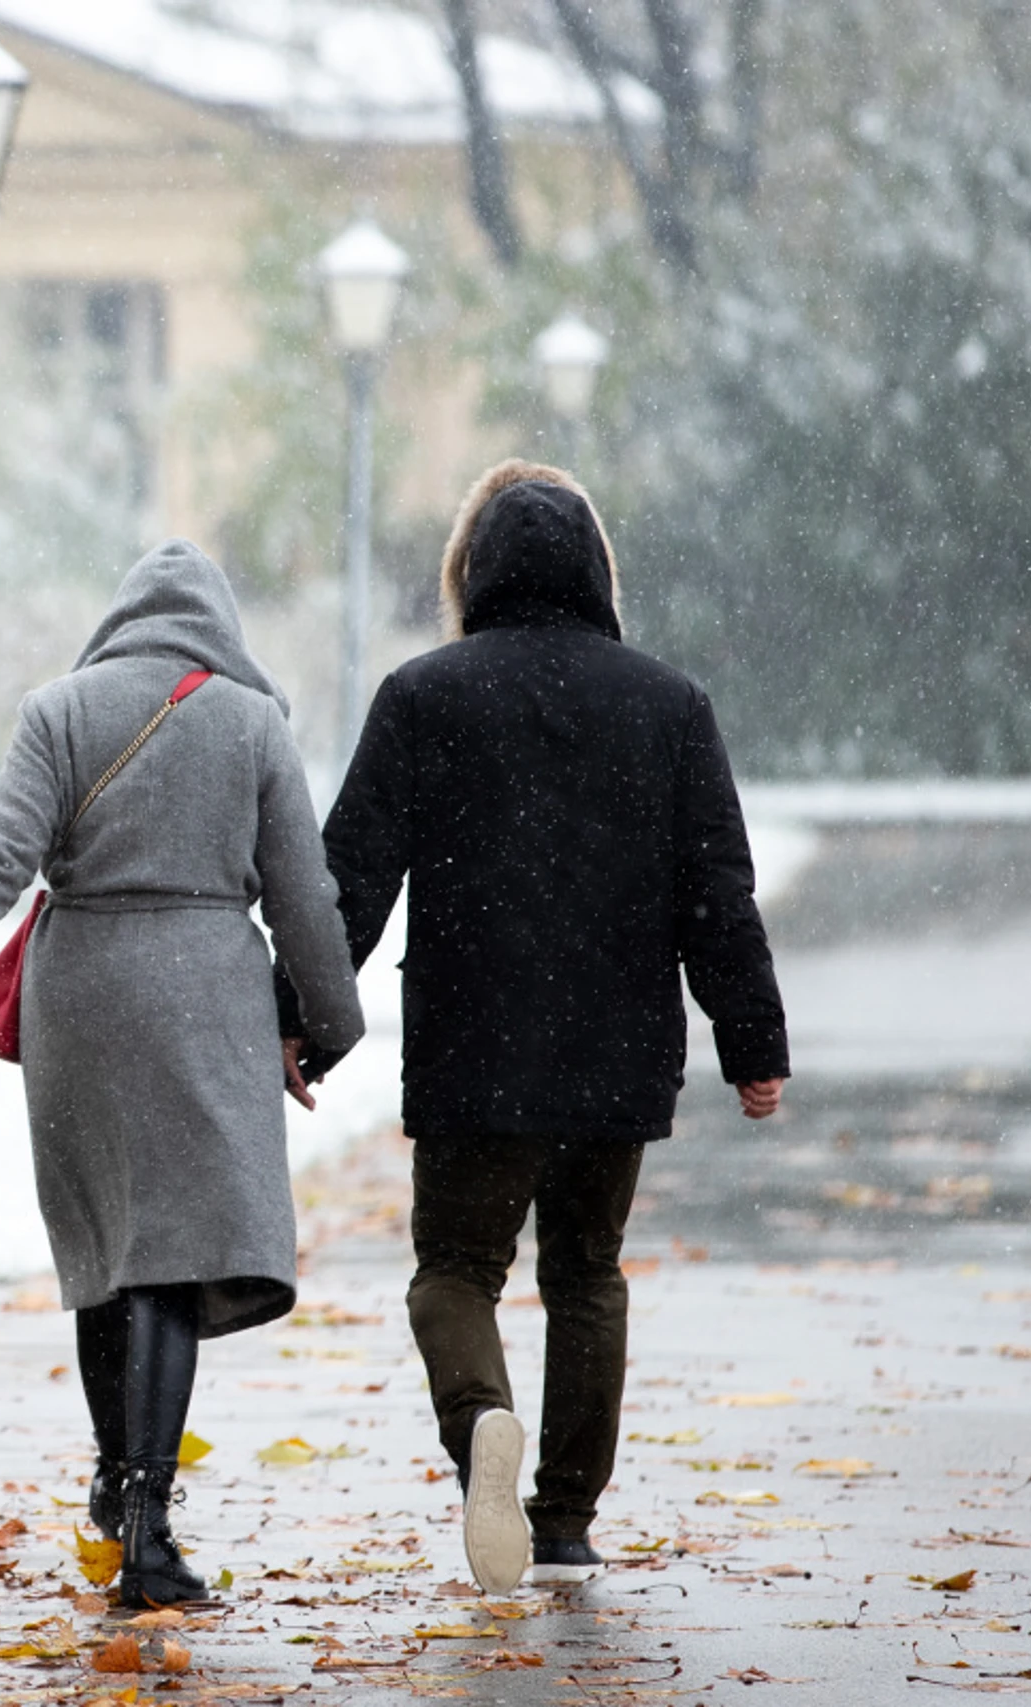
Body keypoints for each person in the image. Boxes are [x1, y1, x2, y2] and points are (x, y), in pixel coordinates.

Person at [282, 460, 789, 1596]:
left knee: (453, 1272)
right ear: (598, 574)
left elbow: (347, 880)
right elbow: (717, 889)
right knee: (587, 1274)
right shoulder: (668, 703)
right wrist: (751, 1043)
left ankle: (482, 1430)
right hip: (616, 1049)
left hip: (475, 1046)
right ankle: (563, 1518)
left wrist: (304, 1022)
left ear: (473, 573)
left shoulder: (423, 695)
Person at [0, 540, 364, 1608]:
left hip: (82, 999)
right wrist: (327, 1022)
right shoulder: (251, 721)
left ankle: (112, 1476)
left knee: (109, 1246)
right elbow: (302, 896)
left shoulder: (60, 709)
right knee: (171, 1257)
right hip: (205, 999)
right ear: (220, 627)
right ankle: (147, 1529)